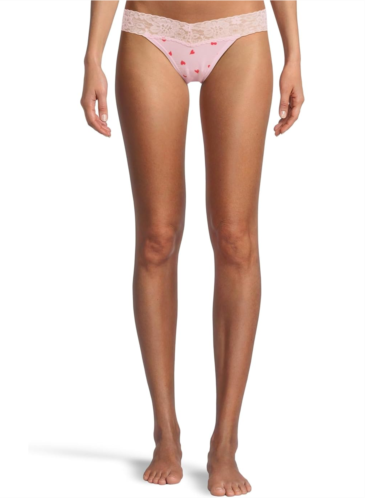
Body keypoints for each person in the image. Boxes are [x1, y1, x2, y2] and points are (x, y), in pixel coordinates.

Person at [81, 1, 304, 495]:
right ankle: (165, 431)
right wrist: (92, 55)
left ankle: (226, 441)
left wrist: (294, 53)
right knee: (156, 239)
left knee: (236, 239)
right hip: (149, 30)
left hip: (239, 31)